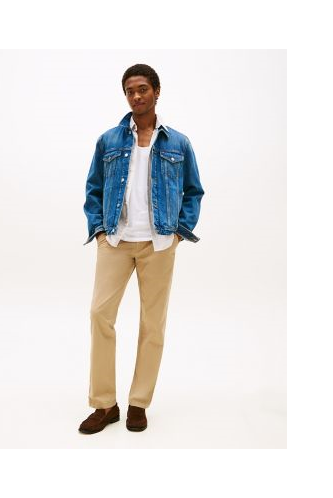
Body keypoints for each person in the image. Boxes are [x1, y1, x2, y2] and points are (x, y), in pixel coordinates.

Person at [79, 64, 204, 434]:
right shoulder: (108, 140)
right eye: (130, 91)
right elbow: (93, 188)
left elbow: (194, 191)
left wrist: (179, 232)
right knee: (100, 315)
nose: (136, 96)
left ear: (156, 91)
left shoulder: (178, 142)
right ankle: (105, 404)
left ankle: (138, 403)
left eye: (143, 89)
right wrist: (100, 231)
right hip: (116, 241)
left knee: (153, 324)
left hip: (159, 243)